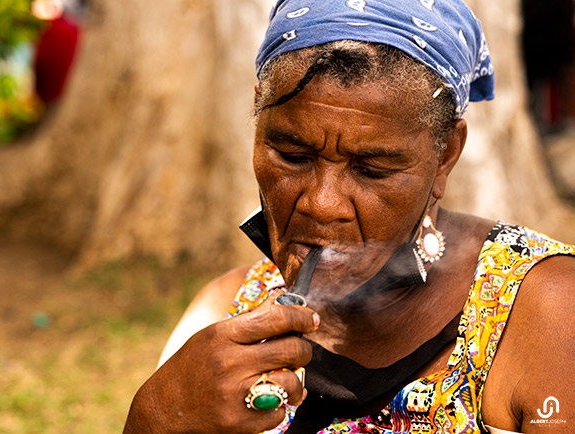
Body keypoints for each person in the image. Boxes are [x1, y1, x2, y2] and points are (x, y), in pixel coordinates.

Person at [123, 1, 575, 433]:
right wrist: (157, 417)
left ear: (446, 156)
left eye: (371, 169)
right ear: (258, 114)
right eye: (293, 155)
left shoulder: (545, 314)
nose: (322, 204)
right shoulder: (224, 311)